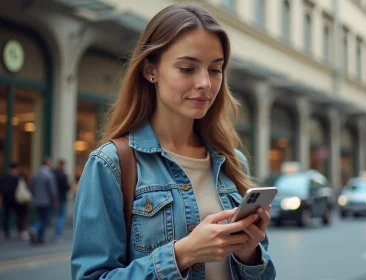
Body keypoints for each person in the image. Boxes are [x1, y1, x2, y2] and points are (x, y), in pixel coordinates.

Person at [71, 3, 276, 280]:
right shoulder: (111, 165)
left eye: (215, 70)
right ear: (150, 70)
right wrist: (183, 254)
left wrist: (249, 253)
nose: (205, 82)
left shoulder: (231, 161)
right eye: (188, 68)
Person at [30, 157, 58, 244]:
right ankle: (37, 232)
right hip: (46, 201)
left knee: (41, 217)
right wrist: (55, 200)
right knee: (45, 219)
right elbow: (52, 189)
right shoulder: (49, 174)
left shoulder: (36, 174)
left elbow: (32, 187)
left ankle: (37, 234)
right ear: (47, 163)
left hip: (37, 201)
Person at [0, 163, 29, 240]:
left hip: (11, 200)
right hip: (12, 200)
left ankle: (13, 231)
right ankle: (13, 231)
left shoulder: (6, 177)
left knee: (11, 216)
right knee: (13, 216)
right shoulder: (12, 177)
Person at [53, 159, 70, 240]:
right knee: (61, 216)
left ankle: (57, 232)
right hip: (62, 198)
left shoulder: (53, 173)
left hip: (54, 198)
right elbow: (67, 186)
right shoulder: (63, 175)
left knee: (56, 215)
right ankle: (58, 233)